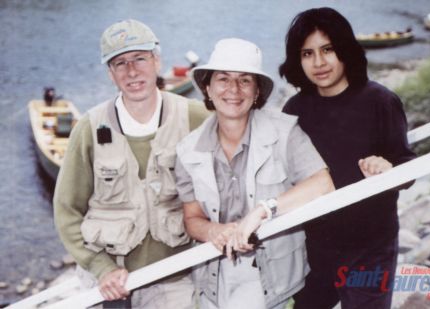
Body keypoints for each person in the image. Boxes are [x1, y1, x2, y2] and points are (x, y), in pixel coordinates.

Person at [53, 19, 209, 308]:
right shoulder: (88, 129)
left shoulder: (196, 117)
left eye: (140, 58)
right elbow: (67, 211)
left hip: (174, 278)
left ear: (157, 60)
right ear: (110, 73)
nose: (132, 71)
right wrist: (101, 268)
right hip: (108, 282)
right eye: (120, 63)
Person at [174, 38, 334, 309]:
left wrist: (263, 210)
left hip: (273, 272)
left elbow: (323, 184)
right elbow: (192, 219)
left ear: (257, 90)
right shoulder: (188, 150)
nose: (233, 89)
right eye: (223, 79)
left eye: (245, 80)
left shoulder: (285, 132)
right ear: (207, 88)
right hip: (212, 276)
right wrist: (215, 230)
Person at [279, 7, 416, 309]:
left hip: (370, 246)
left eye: (328, 49)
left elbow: (408, 168)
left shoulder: (379, 101)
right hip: (314, 245)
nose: (319, 62)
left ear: (345, 50)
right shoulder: (294, 110)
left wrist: (389, 169)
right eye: (307, 53)